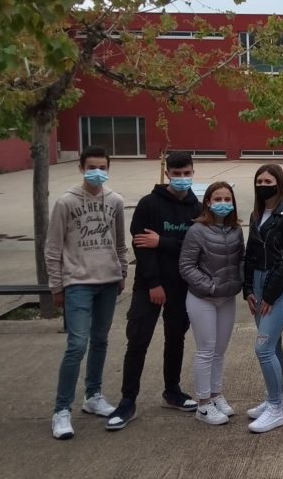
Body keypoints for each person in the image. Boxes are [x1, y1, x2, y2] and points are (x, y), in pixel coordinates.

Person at [107, 152, 201, 431]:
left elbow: (196, 248)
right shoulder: (149, 204)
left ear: (193, 172)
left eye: (186, 173)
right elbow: (141, 246)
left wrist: (162, 241)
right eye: (177, 173)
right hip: (149, 287)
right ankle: (127, 401)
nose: (182, 178)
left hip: (181, 286)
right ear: (167, 173)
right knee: (138, 341)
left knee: (176, 339)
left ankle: (172, 391)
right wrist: (153, 283)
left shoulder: (197, 209)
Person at [46, 146, 128, 440]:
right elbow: (53, 247)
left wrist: (122, 272)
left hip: (108, 280)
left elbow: (120, 242)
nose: (97, 172)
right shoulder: (66, 203)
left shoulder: (115, 201)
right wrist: (57, 285)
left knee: (100, 340)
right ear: (81, 168)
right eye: (92, 167)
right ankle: (61, 409)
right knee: (77, 344)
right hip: (78, 282)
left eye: (102, 167)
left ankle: (93, 395)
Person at [179, 182, 244, 426]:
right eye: (218, 199)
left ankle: (216, 395)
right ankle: (203, 404)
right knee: (206, 350)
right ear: (208, 202)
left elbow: (241, 259)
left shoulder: (236, 229)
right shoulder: (197, 230)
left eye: (227, 199)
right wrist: (211, 286)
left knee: (219, 351)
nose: (223, 203)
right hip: (202, 298)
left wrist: (238, 282)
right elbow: (186, 266)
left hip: (227, 298)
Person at [243, 164, 283, 434]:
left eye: (268, 181)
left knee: (263, 348)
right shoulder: (256, 214)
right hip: (257, 281)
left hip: (279, 284)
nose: (263, 185)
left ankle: (276, 409)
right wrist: (248, 289)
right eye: (260, 181)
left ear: (279, 183)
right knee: (273, 344)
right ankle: (275, 398)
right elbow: (250, 253)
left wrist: (270, 294)